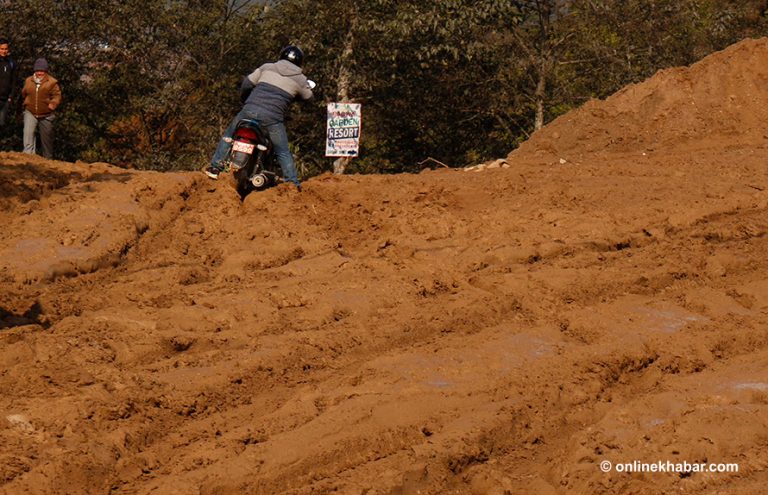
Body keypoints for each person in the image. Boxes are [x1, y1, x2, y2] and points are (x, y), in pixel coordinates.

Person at [206, 45, 313, 191]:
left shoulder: (267, 67)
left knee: (228, 136)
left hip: (248, 111)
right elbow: (308, 98)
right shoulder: (301, 80)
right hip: (272, 119)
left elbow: (247, 83)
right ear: (300, 62)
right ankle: (292, 183)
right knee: (282, 151)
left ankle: (215, 167)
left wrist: (244, 100)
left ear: (281, 55)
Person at [21, 57, 61, 159]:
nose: (40, 73)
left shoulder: (52, 82)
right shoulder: (28, 80)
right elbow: (24, 94)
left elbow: (57, 96)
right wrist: (25, 104)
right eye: (38, 70)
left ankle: (48, 160)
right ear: (35, 70)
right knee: (28, 135)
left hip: (46, 114)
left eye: (42, 71)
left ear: (45, 71)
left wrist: (53, 104)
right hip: (30, 111)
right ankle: (27, 158)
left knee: (46, 140)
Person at [0, 37, 18, 130]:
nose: (4, 51)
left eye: (5, 49)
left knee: (2, 123)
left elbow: (13, 81)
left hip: (5, 99)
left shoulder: (11, 63)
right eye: (2, 49)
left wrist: (11, 96)